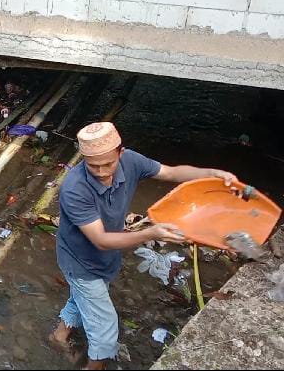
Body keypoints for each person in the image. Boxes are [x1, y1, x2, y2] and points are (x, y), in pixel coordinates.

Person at [49, 122, 237, 370]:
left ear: (121, 152)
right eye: (94, 166)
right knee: (105, 330)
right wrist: (151, 232)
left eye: (109, 164)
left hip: (104, 257)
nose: (103, 172)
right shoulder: (75, 189)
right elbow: (101, 240)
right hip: (80, 261)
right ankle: (93, 367)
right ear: (83, 160)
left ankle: (58, 337)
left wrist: (212, 173)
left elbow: (171, 173)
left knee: (81, 299)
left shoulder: (132, 161)